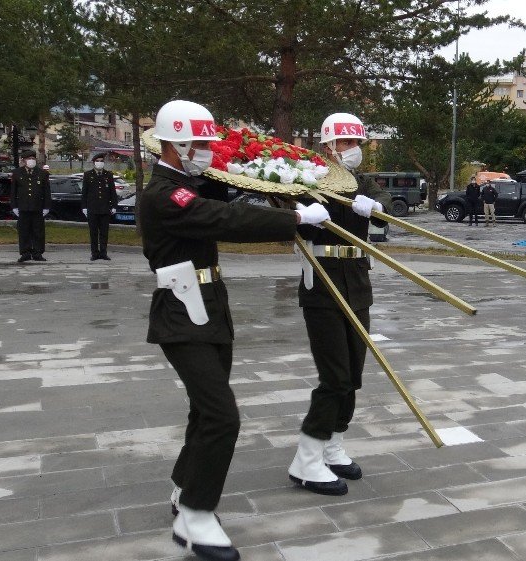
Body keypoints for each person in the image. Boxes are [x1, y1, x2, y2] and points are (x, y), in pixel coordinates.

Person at [139, 99, 329, 561]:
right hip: (181, 314)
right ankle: (195, 516)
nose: (206, 151)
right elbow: (226, 219)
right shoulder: (165, 194)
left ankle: (185, 486)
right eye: (199, 143)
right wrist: (295, 219)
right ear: (175, 143)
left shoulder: (191, 184)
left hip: (209, 309)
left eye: (209, 143)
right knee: (223, 416)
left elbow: (228, 199)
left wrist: (281, 183)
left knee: (206, 412)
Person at [289, 112, 392, 496]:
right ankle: (307, 456)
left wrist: (375, 209)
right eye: (346, 144)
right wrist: (305, 213)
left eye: (356, 144)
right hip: (323, 284)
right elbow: (288, 219)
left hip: (357, 284)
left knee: (353, 373)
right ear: (328, 145)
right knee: (334, 375)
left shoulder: (359, 182)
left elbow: (383, 216)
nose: (353, 151)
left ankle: (332, 444)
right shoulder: (307, 177)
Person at [10, 149, 51, 262]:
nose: (31, 161)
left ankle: (38, 252)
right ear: (24, 160)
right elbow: (13, 191)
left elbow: (46, 191)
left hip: (38, 207)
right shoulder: (17, 173)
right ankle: (25, 253)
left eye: (33, 159)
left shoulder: (42, 173)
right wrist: (14, 206)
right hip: (23, 207)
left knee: (38, 231)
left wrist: (47, 206)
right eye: (29, 159)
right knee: (24, 231)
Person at [81, 153, 118, 260]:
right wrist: (84, 207)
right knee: (93, 233)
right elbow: (84, 193)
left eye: (101, 161)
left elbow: (113, 192)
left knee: (104, 233)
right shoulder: (88, 175)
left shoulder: (108, 175)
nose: (100, 163)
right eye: (98, 161)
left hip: (105, 209)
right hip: (92, 209)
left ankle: (103, 253)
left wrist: (114, 206)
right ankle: (94, 253)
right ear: (94, 162)